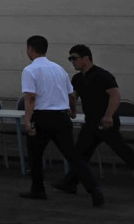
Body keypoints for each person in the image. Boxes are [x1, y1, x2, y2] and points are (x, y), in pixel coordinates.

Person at [19, 35, 101, 206]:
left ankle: (38, 189)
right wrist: (72, 110)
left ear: (30, 49)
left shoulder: (30, 70)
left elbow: (31, 97)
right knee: (73, 156)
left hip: (41, 117)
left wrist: (27, 120)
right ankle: (94, 189)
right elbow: (71, 95)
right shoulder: (59, 69)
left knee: (35, 155)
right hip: (61, 117)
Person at [57, 45, 134, 195]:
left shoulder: (102, 75)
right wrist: (72, 111)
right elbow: (73, 96)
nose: (72, 62)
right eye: (70, 58)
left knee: (122, 151)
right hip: (91, 123)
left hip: (106, 123)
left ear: (86, 58)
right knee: (79, 153)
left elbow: (115, 96)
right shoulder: (78, 78)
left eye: (74, 58)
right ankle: (70, 183)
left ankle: (70, 183)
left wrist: (108, 116)